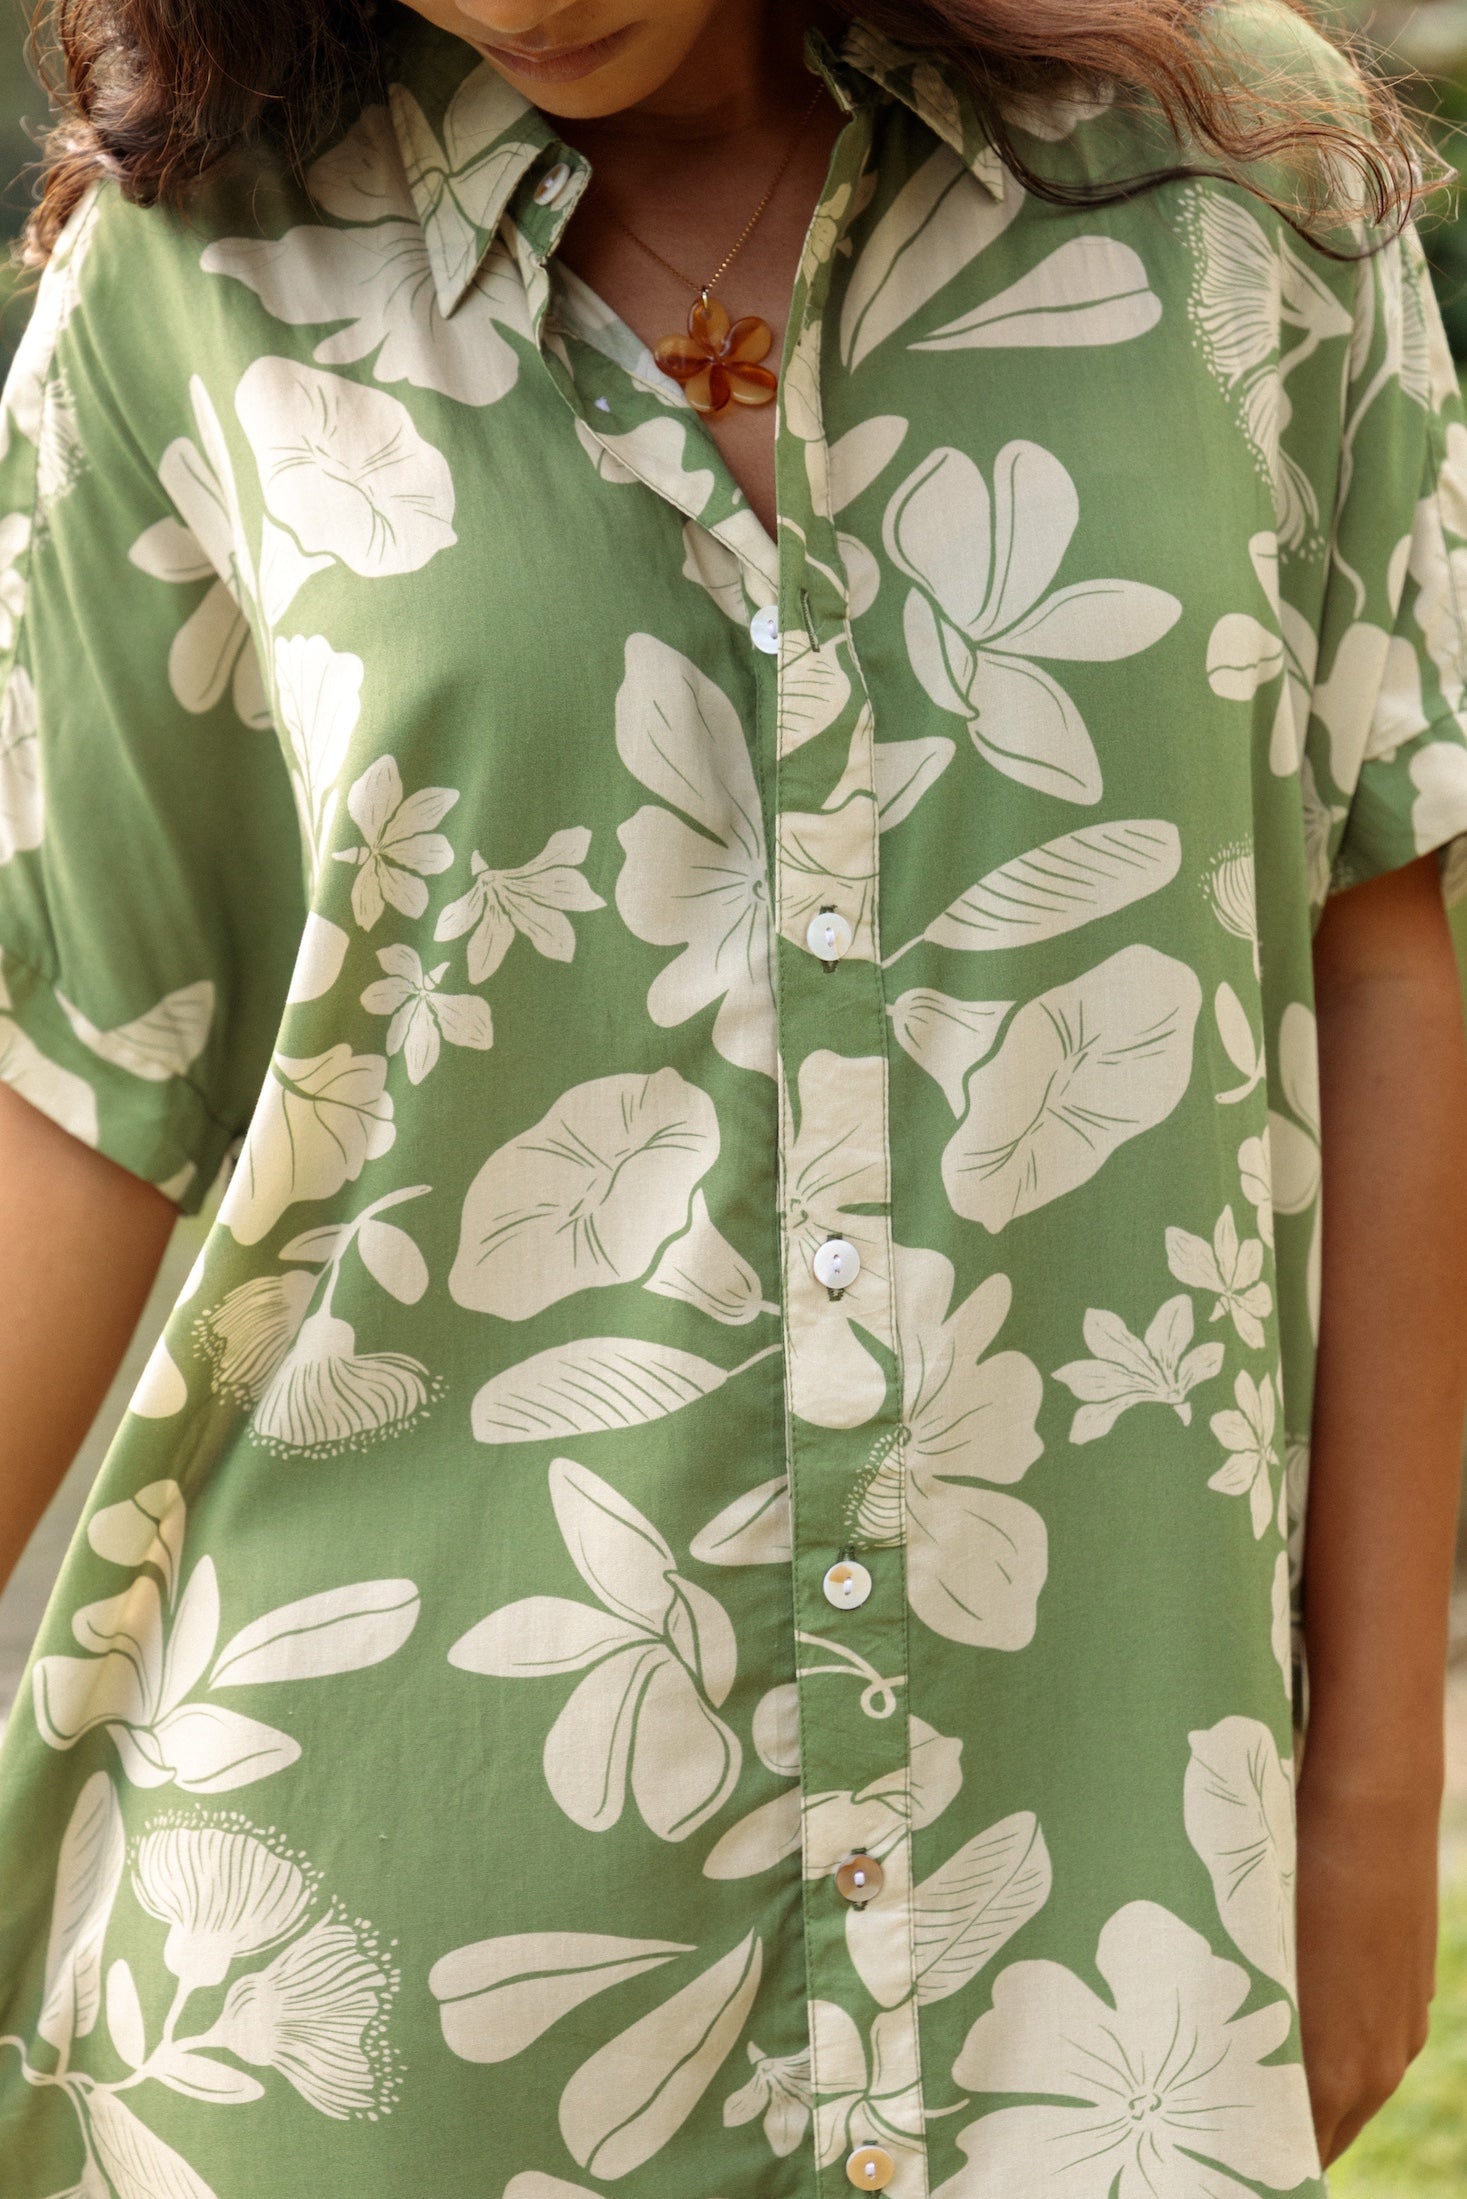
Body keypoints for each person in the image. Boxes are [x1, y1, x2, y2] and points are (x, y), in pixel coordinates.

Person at [0, 0, 1465, 2190]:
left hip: (1103, 1912)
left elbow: (1370, 954)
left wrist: (1365, 1798)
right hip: (369, 1933)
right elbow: (80, 1076)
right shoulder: (192, 277)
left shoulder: (1241, 186)